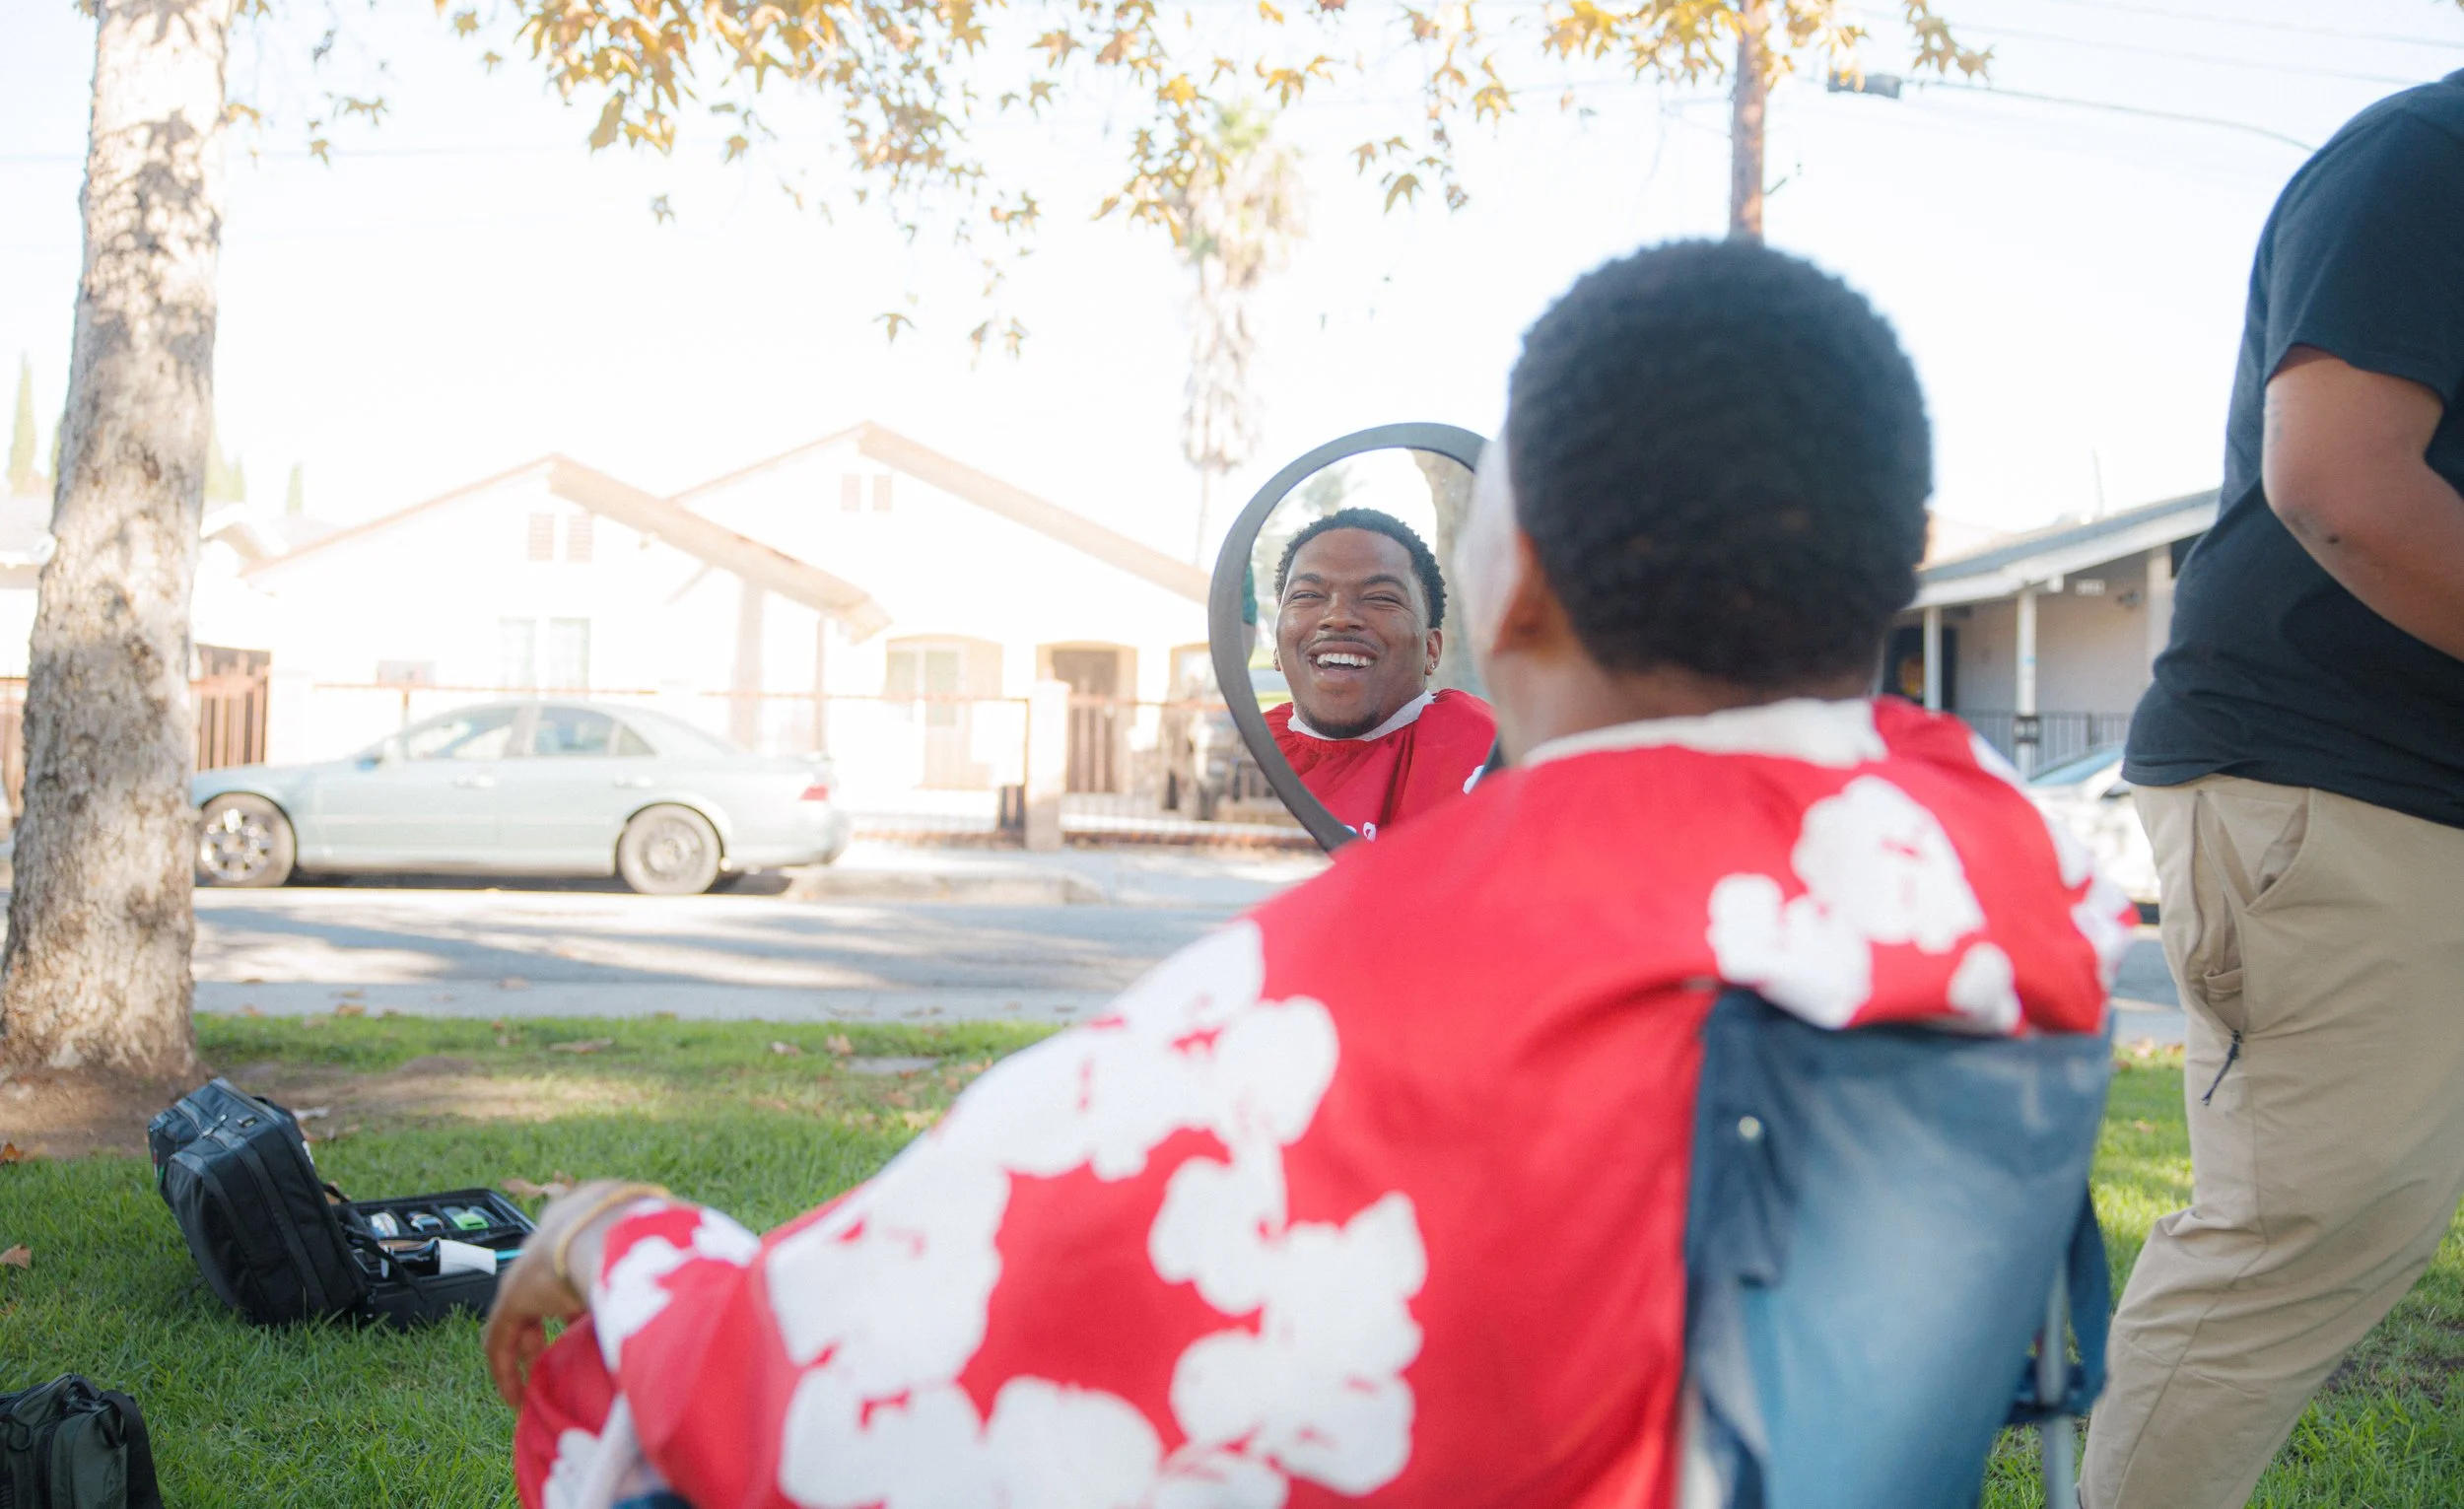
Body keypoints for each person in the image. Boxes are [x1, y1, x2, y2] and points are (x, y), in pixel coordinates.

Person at [486, 240, 2127, 1509]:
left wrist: (632, 1242)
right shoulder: (1997, 868)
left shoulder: (1387, 976)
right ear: (1888, 565)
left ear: (1514, 581)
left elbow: (839, 1387)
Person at [2083, 75, 2464, 1509]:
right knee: (2301, 1234)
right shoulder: (2429, 157)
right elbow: (2342, 485)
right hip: (2343, 779)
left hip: (2408, 791)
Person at [1266, 508, 1496, 836]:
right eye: (1308, 595)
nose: (1339, 616)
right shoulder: (1256, 746)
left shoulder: (1489, 751)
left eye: (1381, 598)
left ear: (1431, 650)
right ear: (1276, 645)